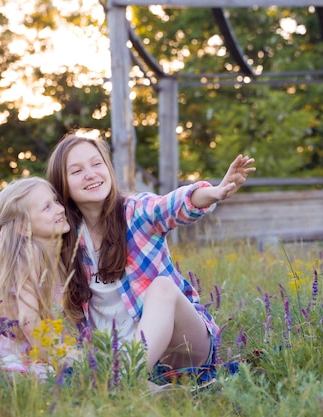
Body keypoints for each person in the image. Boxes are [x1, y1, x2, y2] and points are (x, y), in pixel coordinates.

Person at [46, 133, 255, 387]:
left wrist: (214, 192)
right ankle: (142, 385)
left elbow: (173, 204)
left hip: (182, 346)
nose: (91, 174)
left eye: (97, 163)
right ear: (62, 184)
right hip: (113, 353)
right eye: (77, 170)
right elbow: (20, 266)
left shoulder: (135, 211)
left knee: (163, 287)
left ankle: (121, 382)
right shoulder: (63, 238)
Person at [0, 177, 73, 378]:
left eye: (56, 201)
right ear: (23, 227)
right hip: (18, 353)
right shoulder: (28, 260)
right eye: (47, 207)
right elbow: (30, 323)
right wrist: (61, 359)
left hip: (43, 348)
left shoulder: (59, 257)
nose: (59, 209)